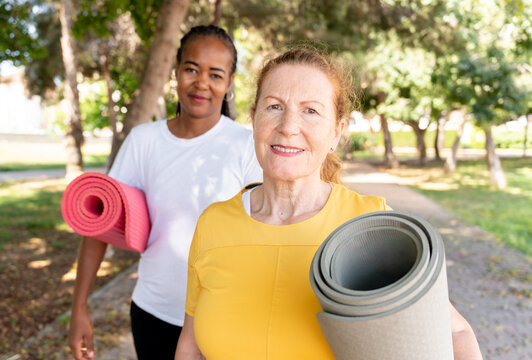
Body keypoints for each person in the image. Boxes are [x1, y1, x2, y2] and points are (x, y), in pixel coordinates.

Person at [175, 48, 483, 359]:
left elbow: (455, 332)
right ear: (253, 119)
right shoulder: (213, 223)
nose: (288, 126)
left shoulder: (371, 224)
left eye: (310, 111)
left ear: (337, 130)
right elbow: (191, 346)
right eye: (274, 106)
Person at [67, 25, 262, 360]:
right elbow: (100, 225)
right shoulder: (145, 141)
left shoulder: (246, 147)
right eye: (191, 69)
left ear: (229, 83)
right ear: (176, 72)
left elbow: (266, 236)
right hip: (152, 313)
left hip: (222, 319)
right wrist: (79, 306)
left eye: (215, 75)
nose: (201, 83)